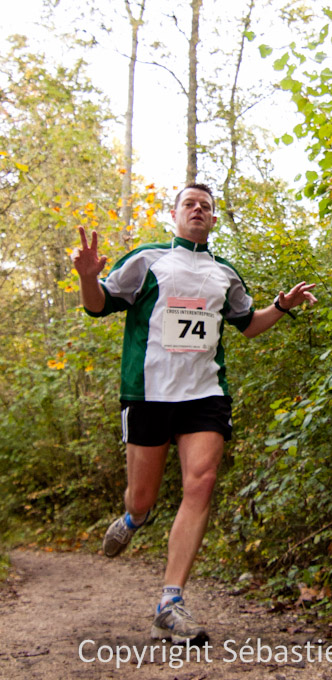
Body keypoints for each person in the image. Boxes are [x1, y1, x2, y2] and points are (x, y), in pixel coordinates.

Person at [72, 183, 317, 644]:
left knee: (201, 482)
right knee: (142, 498)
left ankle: (169, 604)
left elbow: (248, 325)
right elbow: (98, 305)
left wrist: (282, 306)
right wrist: (88, 277)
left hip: (205, 394)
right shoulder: (147, 260)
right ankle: (134, 519)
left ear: (214, 219)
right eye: (190, 203)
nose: (198, 209)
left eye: (205, 205)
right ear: (175, 214)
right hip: (148, 393)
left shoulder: (225, 274)